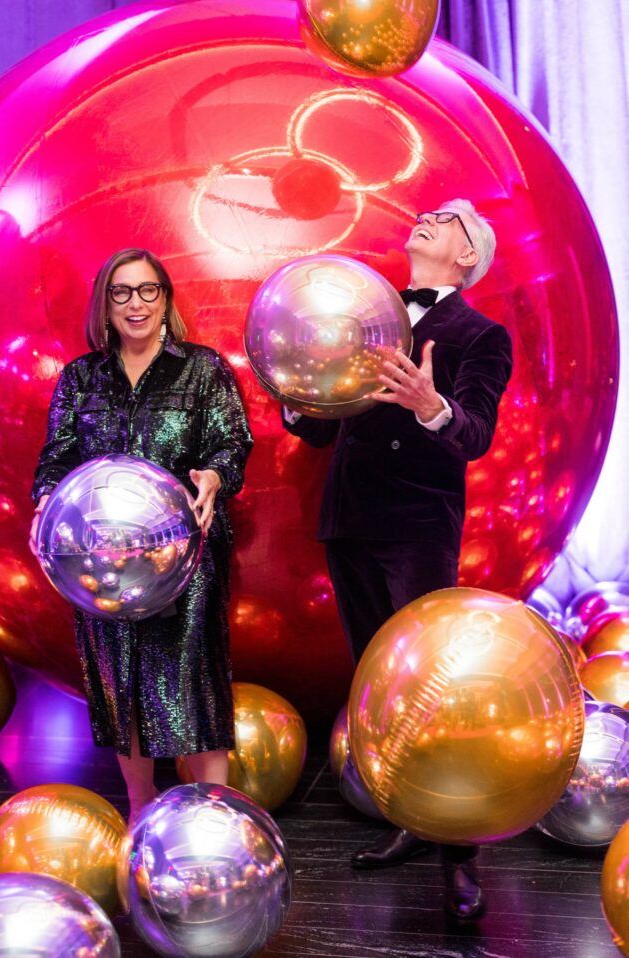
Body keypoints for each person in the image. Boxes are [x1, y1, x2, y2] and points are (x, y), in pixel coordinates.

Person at [282, 199, 513, 921]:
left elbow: (473, 433)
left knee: (435, 697)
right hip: (350, 520)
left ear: (468, 255)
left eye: (446, 219)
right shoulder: (367, 316)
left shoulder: (482, 334)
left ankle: (460, 856)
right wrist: (295, 399)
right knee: (378, 692)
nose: (426, 219)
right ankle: (409, 822)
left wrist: (429, 404)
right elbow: (322, 432)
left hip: (416, 527)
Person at [30, 248, 253, 825]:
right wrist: (44, 505)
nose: (136, 303)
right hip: (98, 563)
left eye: (148, 290)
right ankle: (140, 809)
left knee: (193, 683)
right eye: (122, 292)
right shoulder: (81, 378)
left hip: (187, 557)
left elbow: (233, 444)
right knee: (119, 682)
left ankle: (211, 817)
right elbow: (56, 461)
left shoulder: (202, 369)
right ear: (105, 304)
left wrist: (215, 474)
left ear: (166, 299)